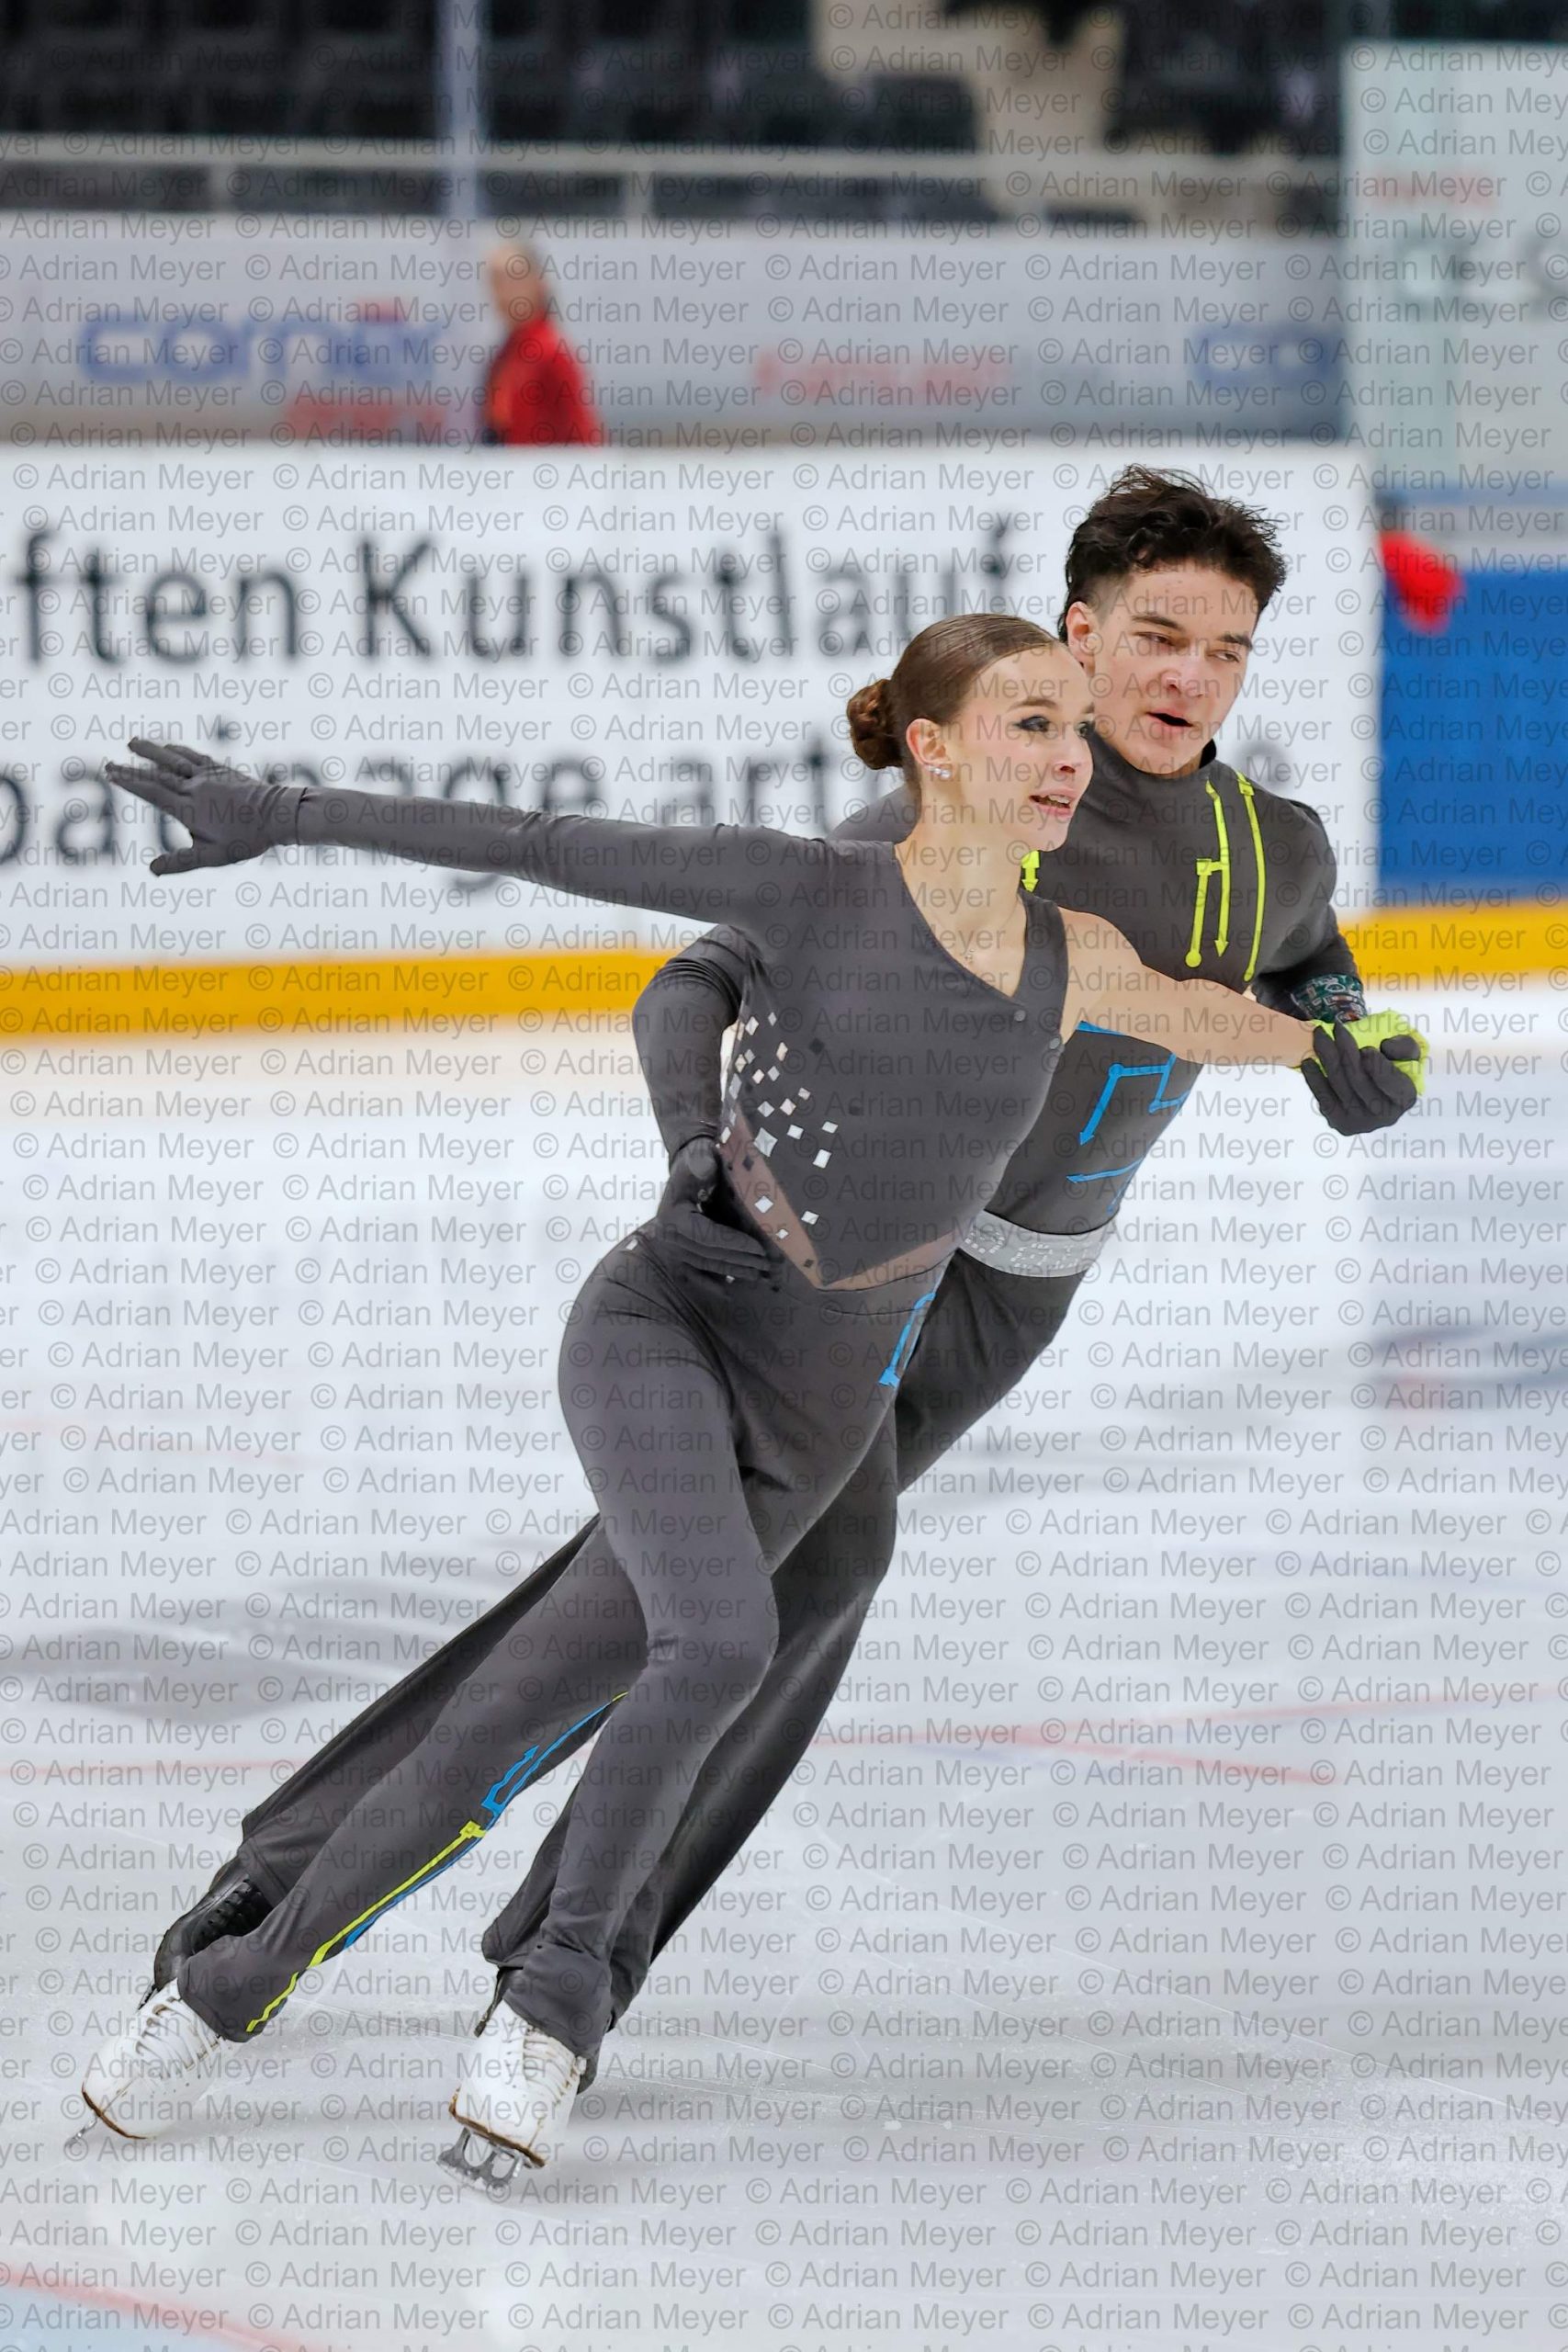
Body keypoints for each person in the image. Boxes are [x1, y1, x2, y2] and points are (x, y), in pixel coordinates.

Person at [129, 469, 1429, 2163]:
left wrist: (1352, 1045)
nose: (1188, 676)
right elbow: (693, 975)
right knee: (752, 1582)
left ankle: (458, 1930)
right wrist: (692, 1141)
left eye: (1228, 651)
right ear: (1078, 634)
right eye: (1155, 636)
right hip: (836, 1276)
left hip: (1007, 1309)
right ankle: (486, 1953)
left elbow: (1305, 962)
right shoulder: (961, 816)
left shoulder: (1273, 844)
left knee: (736, 1591)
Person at [479, 240, 602, 447]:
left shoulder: (552, 352)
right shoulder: (503, 356)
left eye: (512, 279)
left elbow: (585, 436)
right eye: (495, 281)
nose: (503, 291)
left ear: (538, 283)